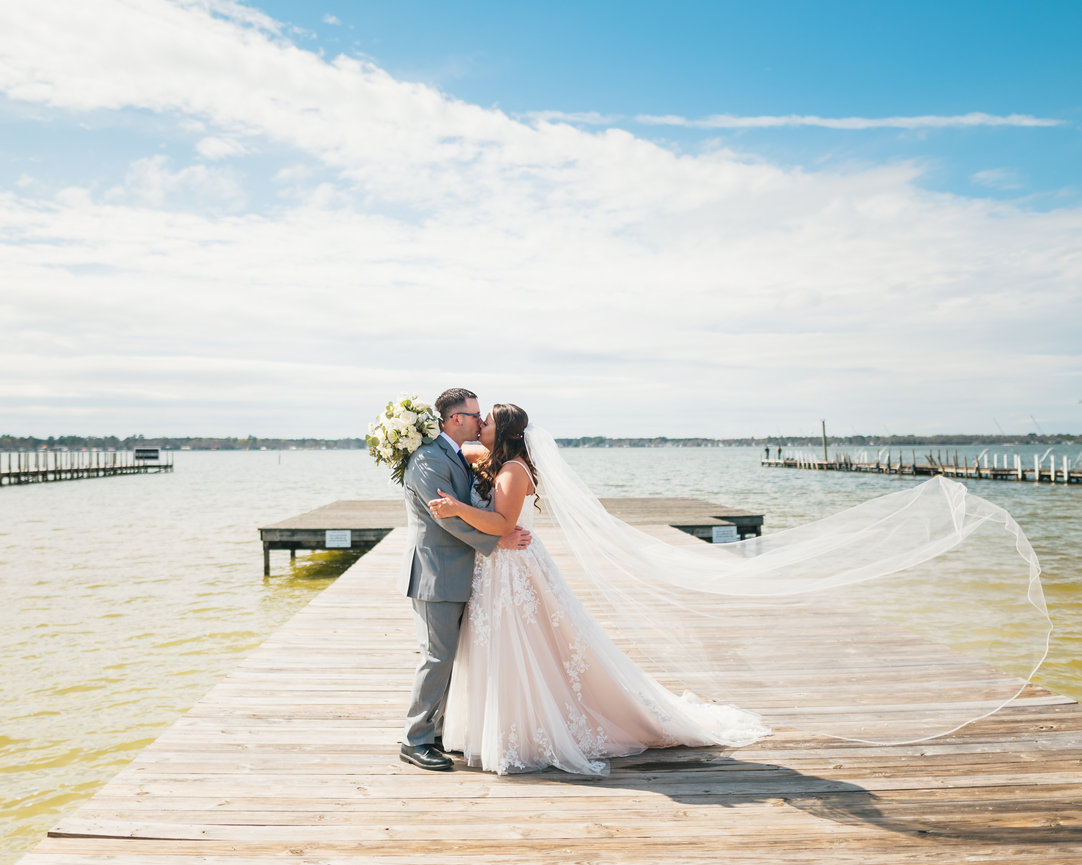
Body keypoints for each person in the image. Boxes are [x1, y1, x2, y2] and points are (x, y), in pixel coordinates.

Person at [427, 403, 771, 775]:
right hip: (496, 568)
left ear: (505, 431)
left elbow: (502, 523)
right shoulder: (496, 457)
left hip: (511, 567)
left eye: (488, 420)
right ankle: (492, 726)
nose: (481, 424)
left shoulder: (512, 469)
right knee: (498, 646)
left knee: (521, 646)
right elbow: (463, 448)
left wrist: (457, 508)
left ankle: (525, 730)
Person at [399, 388, 532, 772]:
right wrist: (499, 538)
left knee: (451, 659)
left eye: (483, 417)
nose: (479, 421)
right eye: (475, 415)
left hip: (461, 572)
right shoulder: (427, 460)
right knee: (436, 657)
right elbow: (447, 518)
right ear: (456, 419)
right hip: (435, 575)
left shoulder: (458, 454)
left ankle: (436, 730)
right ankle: (416, 740)